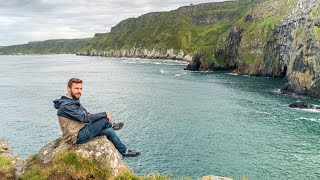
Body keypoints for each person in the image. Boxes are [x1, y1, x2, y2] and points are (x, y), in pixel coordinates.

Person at [53, 78, 140, 157]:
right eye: (76, 88)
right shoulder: (66, 106)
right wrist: (104, 114)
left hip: (82, 129)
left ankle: (124, 151)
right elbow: (85, 118)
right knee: (104, 119)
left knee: (109, 131)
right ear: (69, 89)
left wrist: (98, 119)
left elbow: (87, 114)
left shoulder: (72, 101)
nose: (79, 91)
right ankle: (112, 125)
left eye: (81, 89)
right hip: (76, 136)